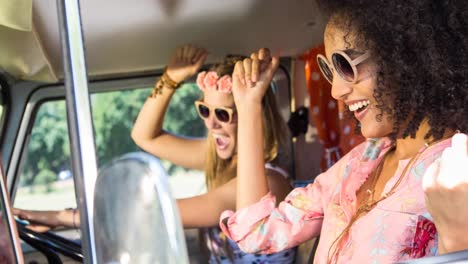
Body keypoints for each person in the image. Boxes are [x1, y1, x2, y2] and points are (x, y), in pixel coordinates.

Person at [219, 0, 468, 263]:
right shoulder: (362, 160)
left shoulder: (458, 168)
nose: (336, 91)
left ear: (408, 56)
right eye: (329, 69)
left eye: (345, 65)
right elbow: (256, 232)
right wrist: (248, 105)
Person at [15, 45, 296, 263]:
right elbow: (144, 136)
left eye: (223, 114)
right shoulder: (220, 158)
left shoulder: (269, 182)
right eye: (204, 110)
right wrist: (170, 79)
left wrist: (66, 216)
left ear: (252, 114)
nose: (211, 123)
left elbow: (156, 211)